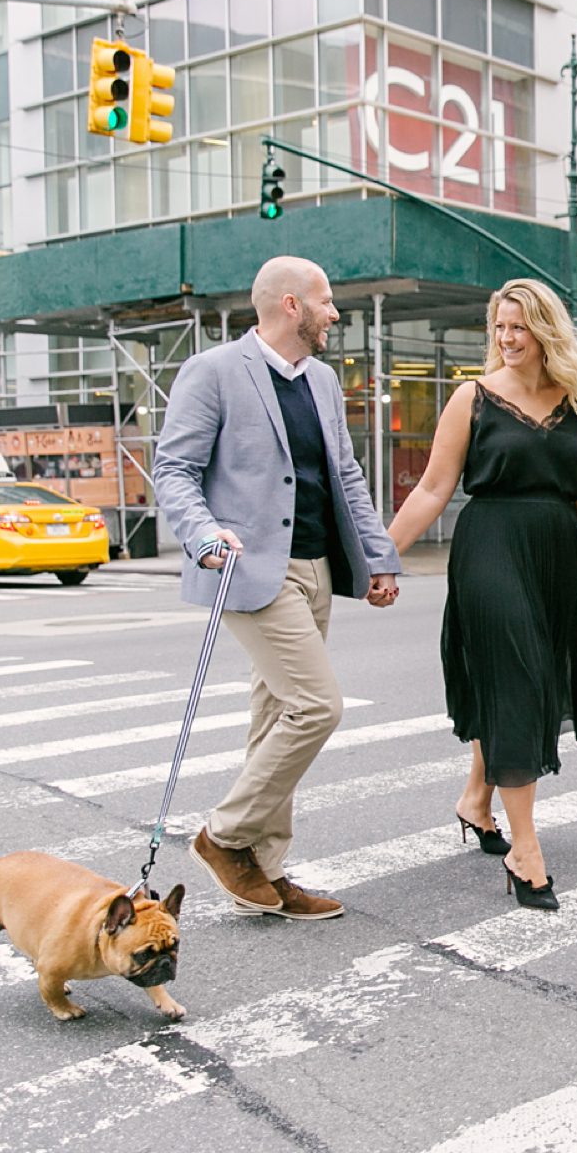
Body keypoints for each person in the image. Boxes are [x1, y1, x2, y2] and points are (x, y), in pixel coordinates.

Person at [154, 256, 402, 921]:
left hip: (318, 567)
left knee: (274, 717)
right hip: (250, 568)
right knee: (317, 706)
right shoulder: (212, 371)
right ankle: (225, 835)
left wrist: (378, 556)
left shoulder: (320, 379)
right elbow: (174, 468)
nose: (335, 314)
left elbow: (346, 474)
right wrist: (205, 536)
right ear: (291, 305)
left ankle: (262, 870)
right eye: (326, 302)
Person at [387, 279, 577, 913]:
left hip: (555, 556)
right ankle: (527, 851)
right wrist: (384, 555)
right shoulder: (473, 398)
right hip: (490, 548)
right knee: (516, 682)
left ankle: (475, 799)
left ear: (546, 330)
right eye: (498, 327)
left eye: (518, 326)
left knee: (529, 682)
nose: (506, 338)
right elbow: (434, 490)